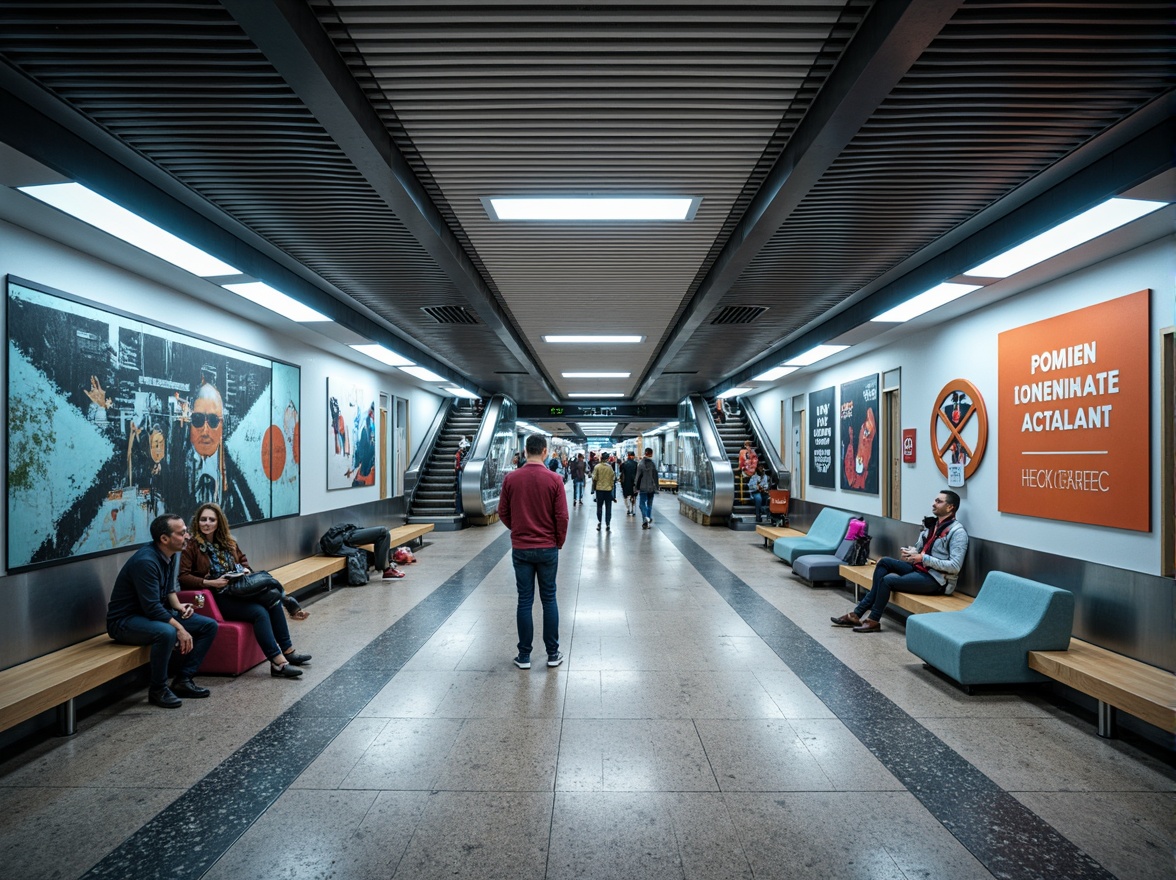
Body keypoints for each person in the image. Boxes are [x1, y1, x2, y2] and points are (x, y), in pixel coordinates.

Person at [180, 503, 312, 676]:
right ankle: (278, 662)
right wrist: (210, 583)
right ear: (197, 522)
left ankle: (288, 651)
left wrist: (245, 569)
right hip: (218, 597)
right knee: (259, 613)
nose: (206, 523)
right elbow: (183, 576)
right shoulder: (191, 546)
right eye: (203, 519)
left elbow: (242, 561)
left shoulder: (228, 542)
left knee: (272, 602)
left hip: (238, 589)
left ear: (218, 522)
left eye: (211, 520)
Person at [106, 513, 219, 708]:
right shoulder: (146, 562)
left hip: (148, 616)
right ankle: (158, 690)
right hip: (124, 622)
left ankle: (183, 680)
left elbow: (167, 590)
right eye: (182, 533)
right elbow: (152, 608)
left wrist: (178, 607)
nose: (188, 537)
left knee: (209, 625)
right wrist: (180, 628)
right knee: (167, 632)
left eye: (186, 532)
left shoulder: (170, 553)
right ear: (164, 539)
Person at [832, 490, 969, 633]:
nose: (933, 504)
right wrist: (911, 553)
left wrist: (923, 558)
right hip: (920, 569)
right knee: (884, 562)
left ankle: (873, 619)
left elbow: (955, 566)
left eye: (939, 501)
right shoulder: (932, 526)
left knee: (887, 580)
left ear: (950, 507)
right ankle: (857, 614)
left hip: (936, 579)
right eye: (935, 500)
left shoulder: (958, 532)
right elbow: (920, 550)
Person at [499, 433, 568, 670]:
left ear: (525, 452)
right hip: (548, 547)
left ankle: (524, 656)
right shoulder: (555, 480)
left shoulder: (512, 479)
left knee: (525, 600)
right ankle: (552, 653)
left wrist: (518, 530)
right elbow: (562, 516)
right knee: (549, 599)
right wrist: (557, 541)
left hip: (521, 548)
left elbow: (503, 512)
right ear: (545, 452)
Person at [591, 452, 617, 532]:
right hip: (608, 490)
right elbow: (613, 479)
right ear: (607, 459)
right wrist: (612, 489)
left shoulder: (597, 467)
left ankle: (599, 522)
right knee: (608, 507)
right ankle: (608, 523)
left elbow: (594, 478)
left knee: (599, 506)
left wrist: (594, 488)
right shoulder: (610, 468)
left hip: (599, 490)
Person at [634, 447, 659, 529]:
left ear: (645, 453)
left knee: (642, 504)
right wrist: (657, 487)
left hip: (643, 488)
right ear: (651, 454)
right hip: (651, 488)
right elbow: (656, 477)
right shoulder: (653, 464)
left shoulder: (640, 464)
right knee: (649, 504)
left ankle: (645, 518)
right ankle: (648, 518)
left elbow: (637, 477)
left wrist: (635, 488)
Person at [619, 451, 639, 517]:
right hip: (634, 483)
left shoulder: (624, 464)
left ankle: (628, 509)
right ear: (632, 456)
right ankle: (632, 509)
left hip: (625, 483)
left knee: (626, 496)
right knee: (633, 496)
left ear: (628, 456)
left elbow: (620, 471)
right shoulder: (636, 464)